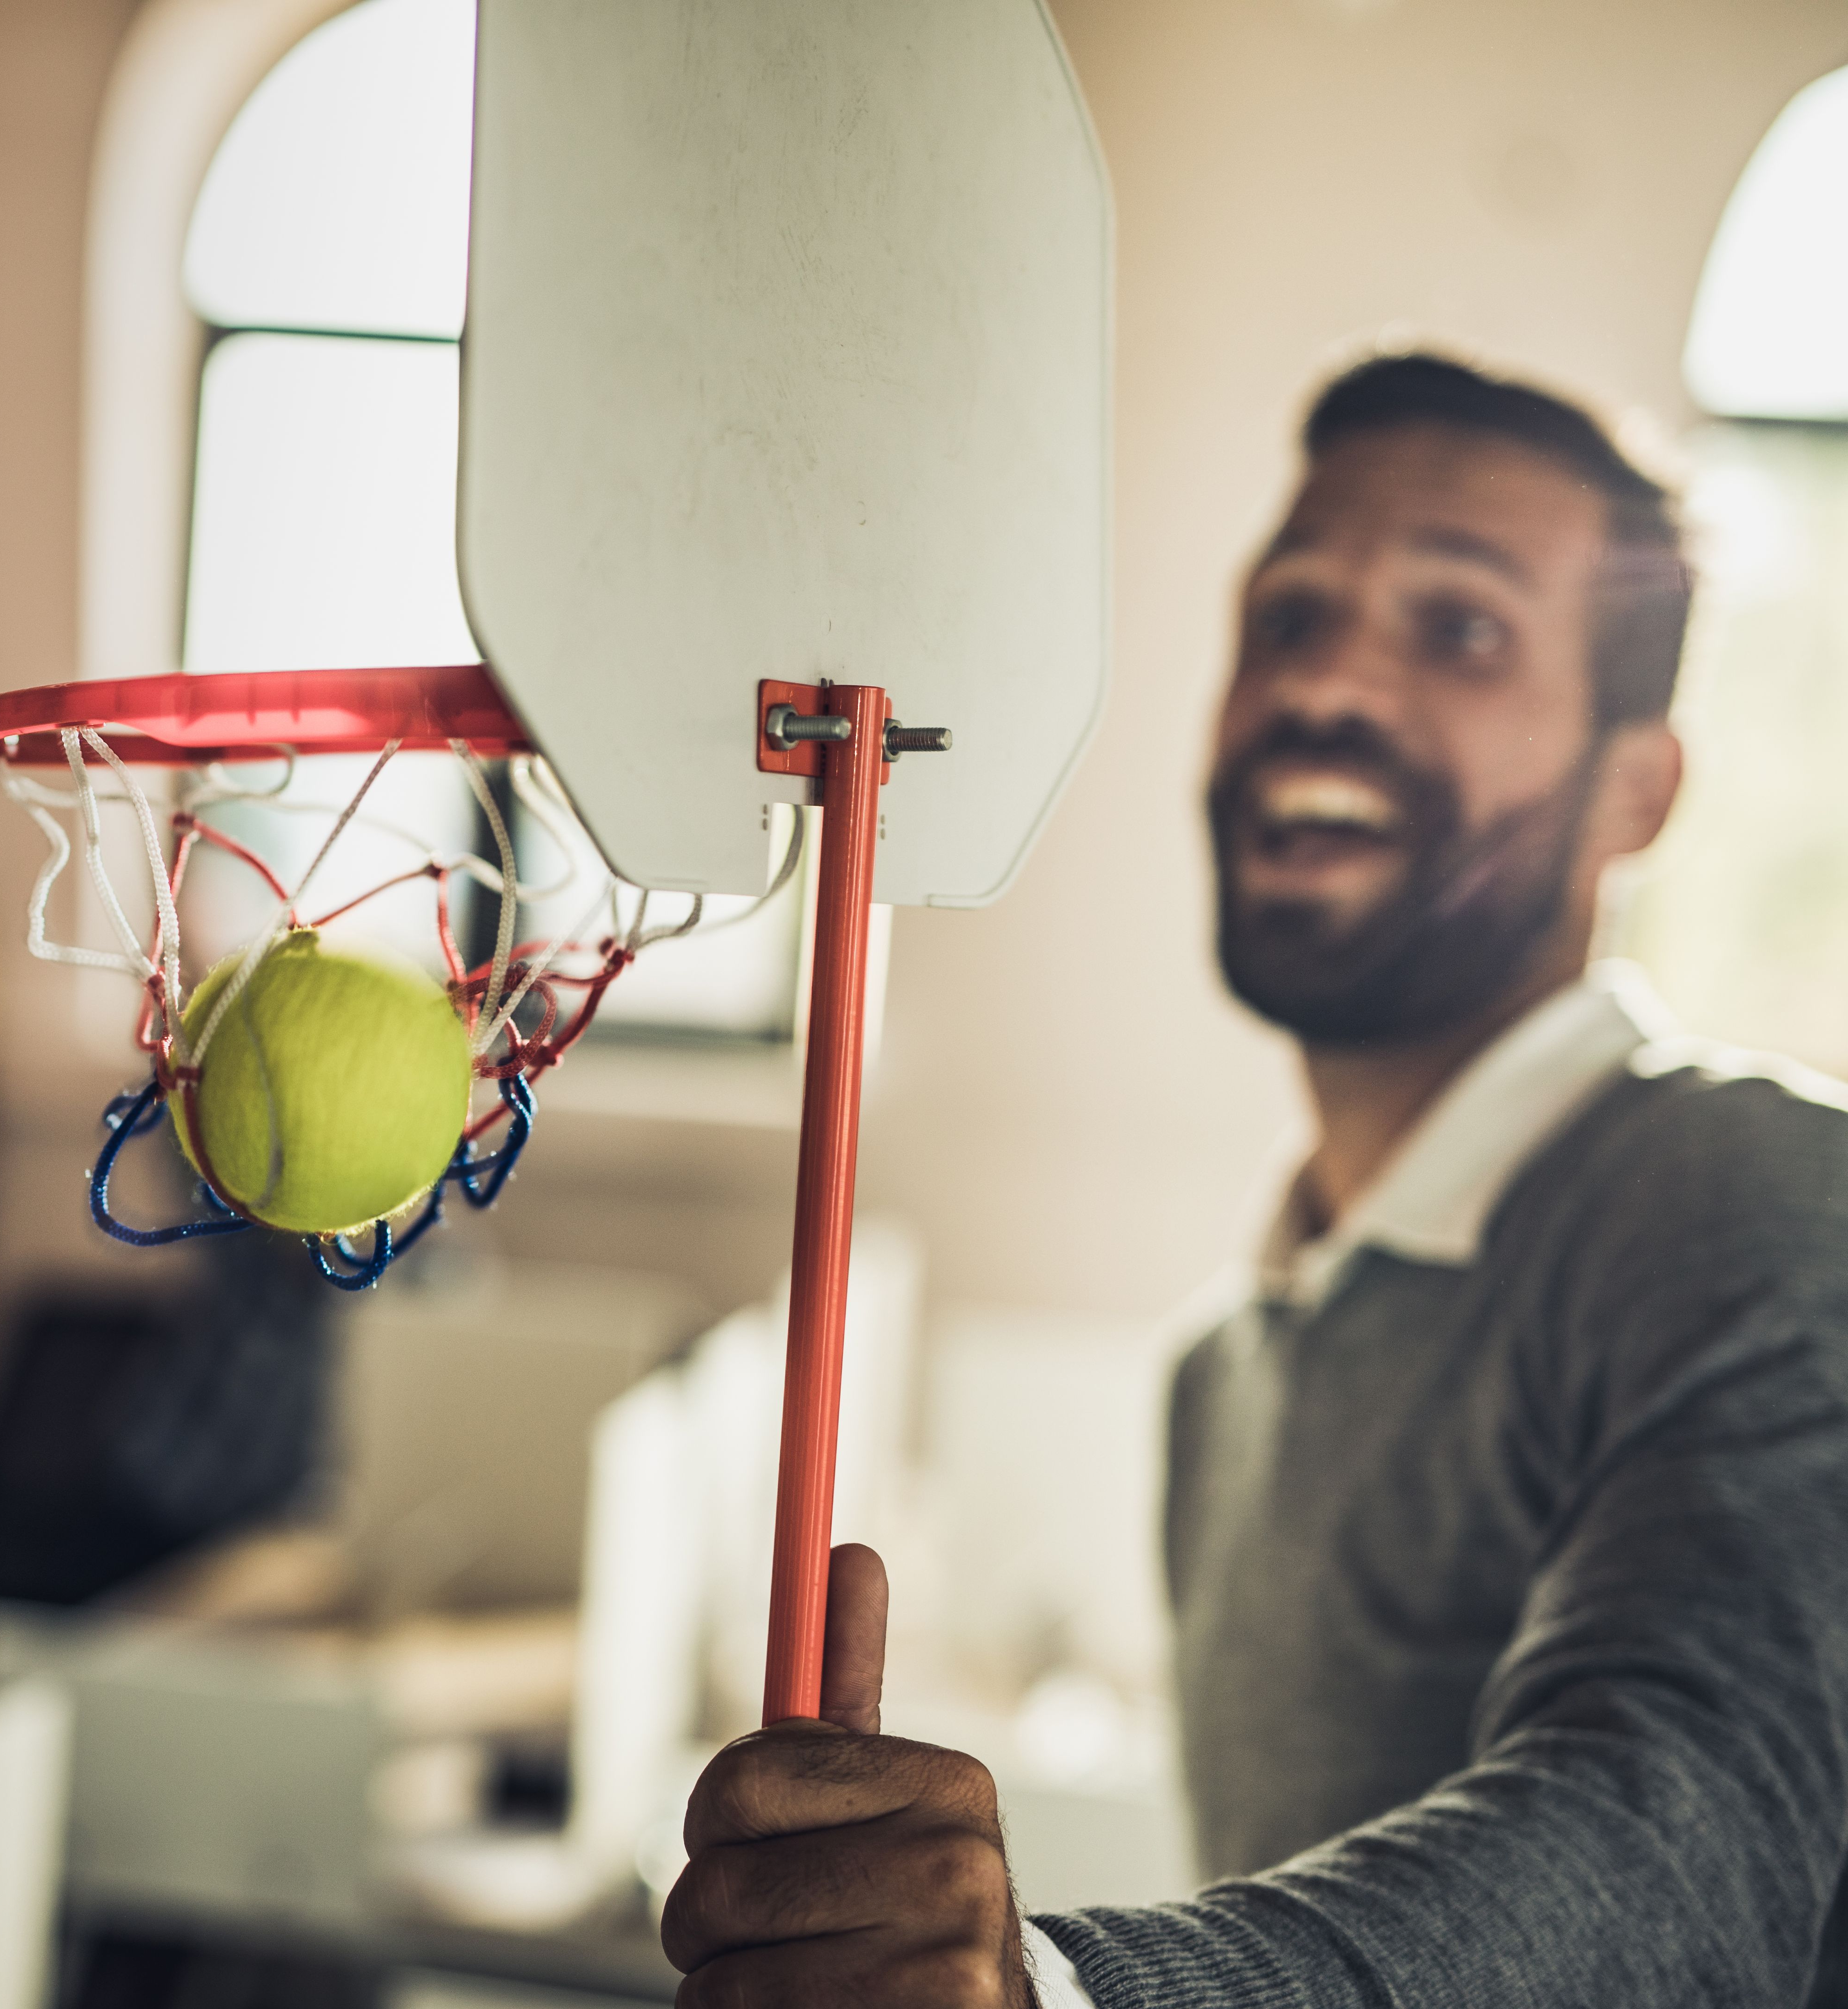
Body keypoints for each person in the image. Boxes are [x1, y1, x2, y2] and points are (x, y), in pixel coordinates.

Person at [658, 353, 1848, 2006]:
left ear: (1635, 790)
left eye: (1462, 629)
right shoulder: (1227, 1372)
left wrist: (1060, 1996)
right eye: (1289, 616)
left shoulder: (1770, 1202)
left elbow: (1683, 1847)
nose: (1332, 680)